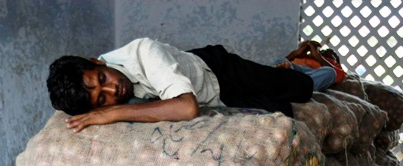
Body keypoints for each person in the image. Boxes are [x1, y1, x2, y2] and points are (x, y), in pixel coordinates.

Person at [47, 37, 314, 132]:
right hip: (217, 102)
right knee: (282, 112)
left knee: (301, 89)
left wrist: (113, 111)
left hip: (219, 70)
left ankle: (299, 64)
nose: (113, 90)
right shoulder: (106, 96)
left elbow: (187, 109)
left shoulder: (144, 51)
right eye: (102, 101)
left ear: (97, 62)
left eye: (103, 80)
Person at [274, 40, 347, 91]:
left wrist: (318, 56)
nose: (326, 51)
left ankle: (297, 83)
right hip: (294, 69)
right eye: (323, 51)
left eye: (332, 53)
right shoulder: (304, 57)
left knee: (331, 72)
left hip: (311, 75)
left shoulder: (333, 64)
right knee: (280, 60)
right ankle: (290, 76)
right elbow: (283, 62)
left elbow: (338, 76)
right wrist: (297, 53)